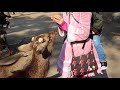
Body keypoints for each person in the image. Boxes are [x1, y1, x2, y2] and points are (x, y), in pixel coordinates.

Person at [51, 12, 104, 78]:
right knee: (75, 73)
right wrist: (61, 23)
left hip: (81, 48)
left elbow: (84, 33)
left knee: (82, 71)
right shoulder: (67, 12)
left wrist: (63, 24)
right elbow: (66, 29)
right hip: (70, 48)